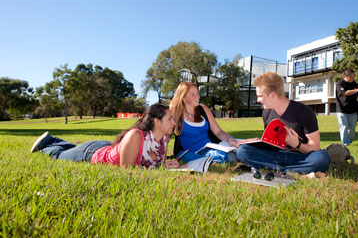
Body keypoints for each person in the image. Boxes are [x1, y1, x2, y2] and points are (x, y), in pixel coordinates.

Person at [30, 103, 180, 169]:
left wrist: (164, 165)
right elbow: (127, 169)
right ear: (156, 121)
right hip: (92, 153)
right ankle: (46, 144)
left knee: (72, 149)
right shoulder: (136, 136)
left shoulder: (163, 140)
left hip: (106, 146)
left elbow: (152, 164)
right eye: (169, 119)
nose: (174, 122)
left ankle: (55, 140)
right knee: (60, 155)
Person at [236, 72, 330, 174]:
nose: (258, 100)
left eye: (260, 96)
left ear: (273, 95)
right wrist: (257, 142)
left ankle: (274, 169)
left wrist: (297, 145)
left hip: (300, 157)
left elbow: (315, 147)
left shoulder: (304, 112)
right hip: (275, 155)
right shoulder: (267, 112)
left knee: (322, 158)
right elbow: (271, 143)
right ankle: (291, 171)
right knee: (243, 151)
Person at [170, 81, 240, 163]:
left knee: (238, 150)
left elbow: (218, 131)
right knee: (227, 157)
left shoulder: (203, 109)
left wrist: (230, 139)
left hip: (210, 149)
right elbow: (166, 136)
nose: (197, 97)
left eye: (197, 93)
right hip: (188, 152)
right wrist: (162, 158)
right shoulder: (174, 112)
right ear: (183, 97)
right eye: (193, 94)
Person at [335, 68, 358, 146]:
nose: (353, 78)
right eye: (351, 76)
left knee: (352, 128)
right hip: (341, 109)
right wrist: (357, 90)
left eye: (354, 76)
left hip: (353, 110)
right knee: (344, 127)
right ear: (345, 76)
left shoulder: (354, 84)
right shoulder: (339, 83)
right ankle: (345, 143)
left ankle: (349, 142)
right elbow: (345, 93)